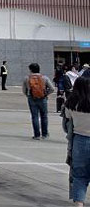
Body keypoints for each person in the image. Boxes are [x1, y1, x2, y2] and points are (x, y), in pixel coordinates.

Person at [63, 76, 90, 206]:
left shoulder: (71, 103)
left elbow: (67, 121)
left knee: (79, 175)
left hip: (80, 140)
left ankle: (79, 204)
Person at [23, 62, 55, 140]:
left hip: (32, 98)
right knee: (44, 116)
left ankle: (37, 135)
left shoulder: (27, 78)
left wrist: (28, 95)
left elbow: (24, 90)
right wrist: (45, 94)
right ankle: (44, 134)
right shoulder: (44, 78)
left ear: (30, 70)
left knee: (35, 116)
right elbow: (52, 88)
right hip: (42, 98)